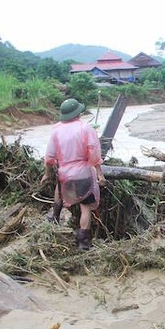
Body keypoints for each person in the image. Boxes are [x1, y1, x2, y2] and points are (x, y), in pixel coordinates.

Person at [41, 98, 105, 250]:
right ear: (78, 112)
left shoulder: (56, 130)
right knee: (86, 207)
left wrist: (47, 174)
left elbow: (49, 157)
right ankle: (83, 243)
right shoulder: (86, 128)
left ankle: (55, 216)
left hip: (65, 175)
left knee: (60, 187)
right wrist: (99, 173)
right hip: (83, 173)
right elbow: (94, 153)